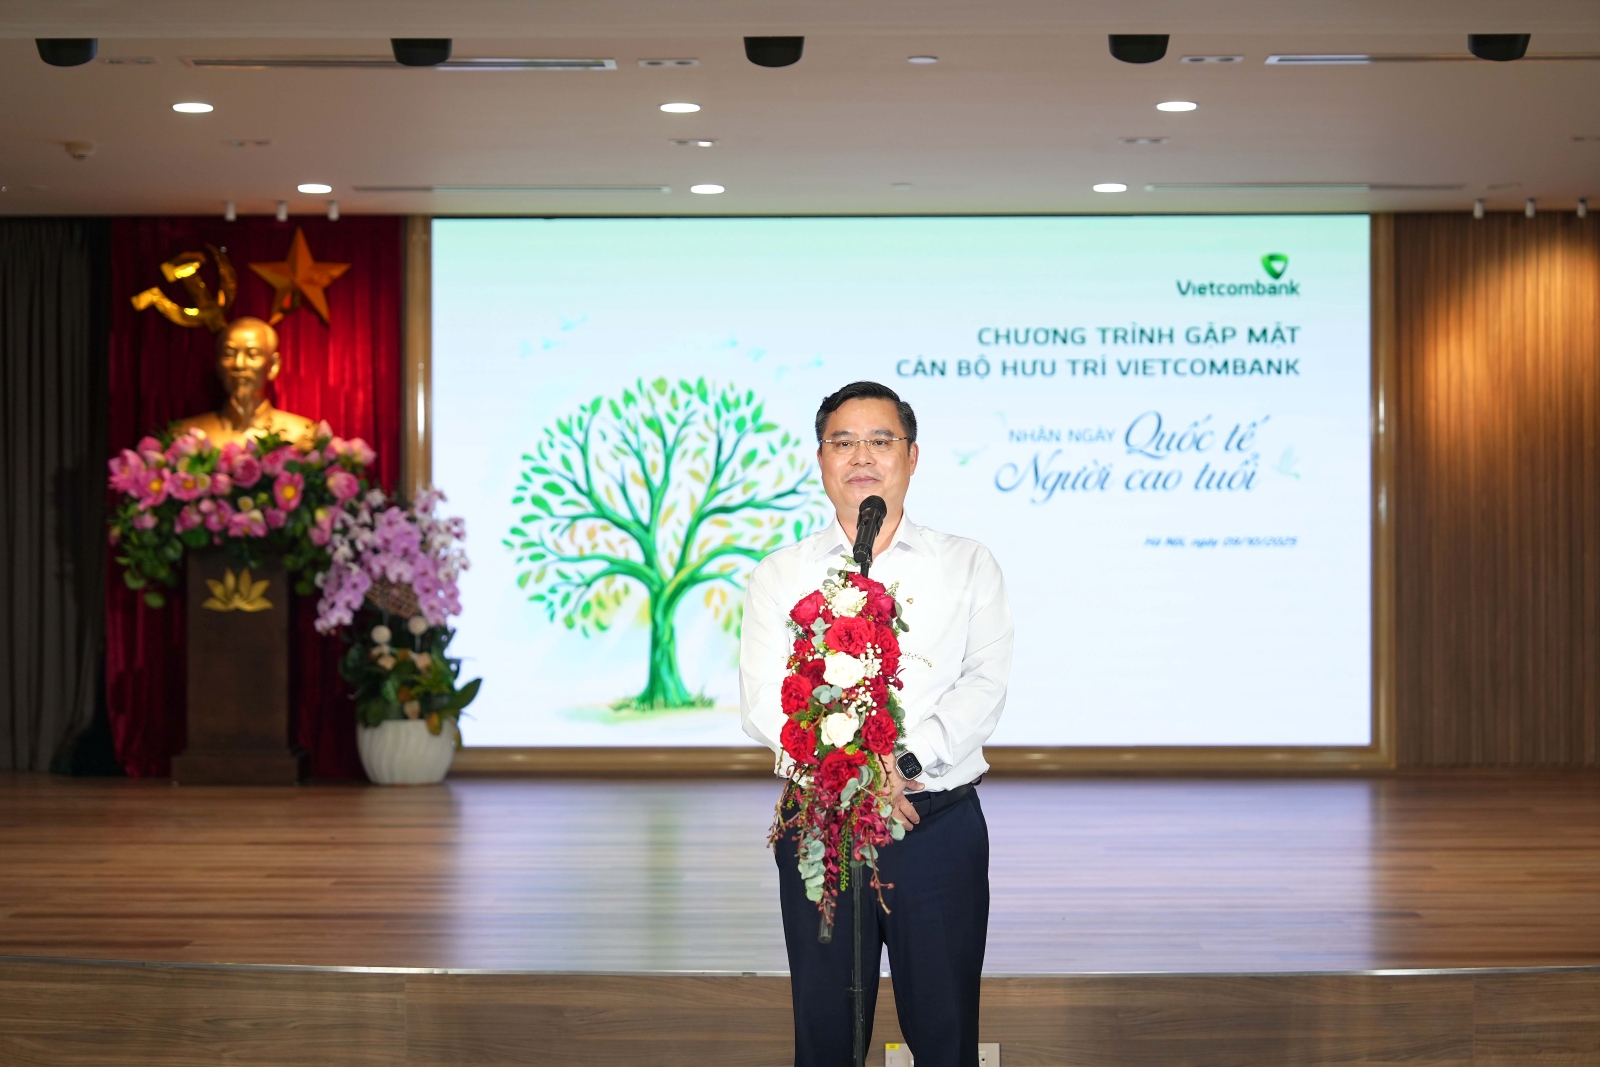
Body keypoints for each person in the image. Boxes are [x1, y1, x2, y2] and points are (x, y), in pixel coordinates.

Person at [739, 380, 1014, 1067]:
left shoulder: (966, 563)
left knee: (946, 1035)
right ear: (820, 459)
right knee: (826, 1038)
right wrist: (859, 778)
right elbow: (765, 703)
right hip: (823, 826)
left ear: (912, 456)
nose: (861, 456)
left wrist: (905, 765)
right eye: (843, 441)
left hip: (934, 826)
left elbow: (984, 683)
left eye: (880, 440)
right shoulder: (781, 575)